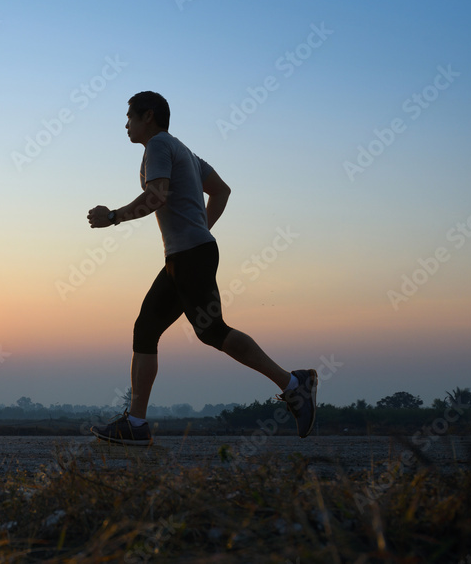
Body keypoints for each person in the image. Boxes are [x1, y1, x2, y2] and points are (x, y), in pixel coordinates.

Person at [86, 91, 317, 445]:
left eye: (130, 116)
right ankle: (135, 423)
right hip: (186, 255)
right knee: (146, 329)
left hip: (191, 256)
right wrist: (201, 230)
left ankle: (293, 384)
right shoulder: (186, 153)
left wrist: (114, 217)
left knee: (213, 331)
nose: (126, 124)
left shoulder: (159, 146)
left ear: (148, 116)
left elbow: (158, 195)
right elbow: (221, 191)